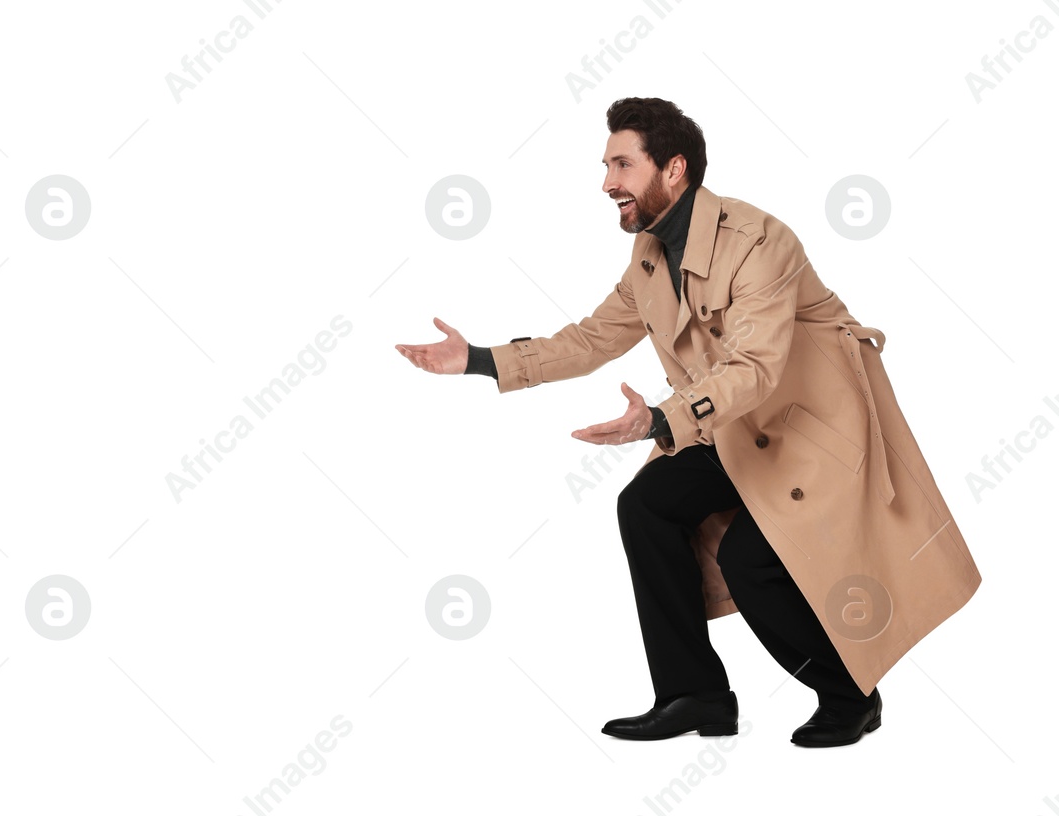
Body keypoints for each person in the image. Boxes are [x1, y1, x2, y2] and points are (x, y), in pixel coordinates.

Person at [396, 98, 978, 748]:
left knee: (750, 558)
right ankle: (694, 693)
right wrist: (476, 359)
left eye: (622, 163)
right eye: (606, 163)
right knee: (647, 505)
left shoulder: (761, 240)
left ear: (674, 170)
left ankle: (850, 697)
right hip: (732, 426)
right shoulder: (649, 256)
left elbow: (755, 365)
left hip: (813, 432)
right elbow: (592, 338)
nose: (607, 181)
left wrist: (660, 421)